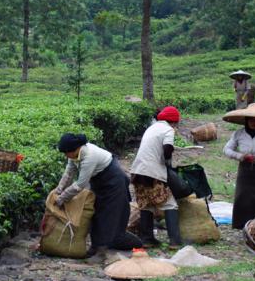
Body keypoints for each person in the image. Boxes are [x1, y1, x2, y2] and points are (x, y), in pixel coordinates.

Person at [55, 133, 141, 258]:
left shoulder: (90, 156)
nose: (65, 156)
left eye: (66, 153)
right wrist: (58, 190)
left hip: (114, 181)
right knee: (95, 213)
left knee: (107, 215)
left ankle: (102, 250)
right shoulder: (73, 154)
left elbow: (80, 185)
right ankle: (95, 246)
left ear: (75, 149)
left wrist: (62, 198)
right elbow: (68, 174)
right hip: (99, 181)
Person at [130, 106, 183, 248]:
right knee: (169, 203)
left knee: (146, 204)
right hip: (152, 172)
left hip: (137, 171)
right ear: (173, 121)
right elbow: (167, 148)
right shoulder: (168, 130)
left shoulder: (152, 128)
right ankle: (175, 241)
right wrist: (167, 163)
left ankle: (147, 239)